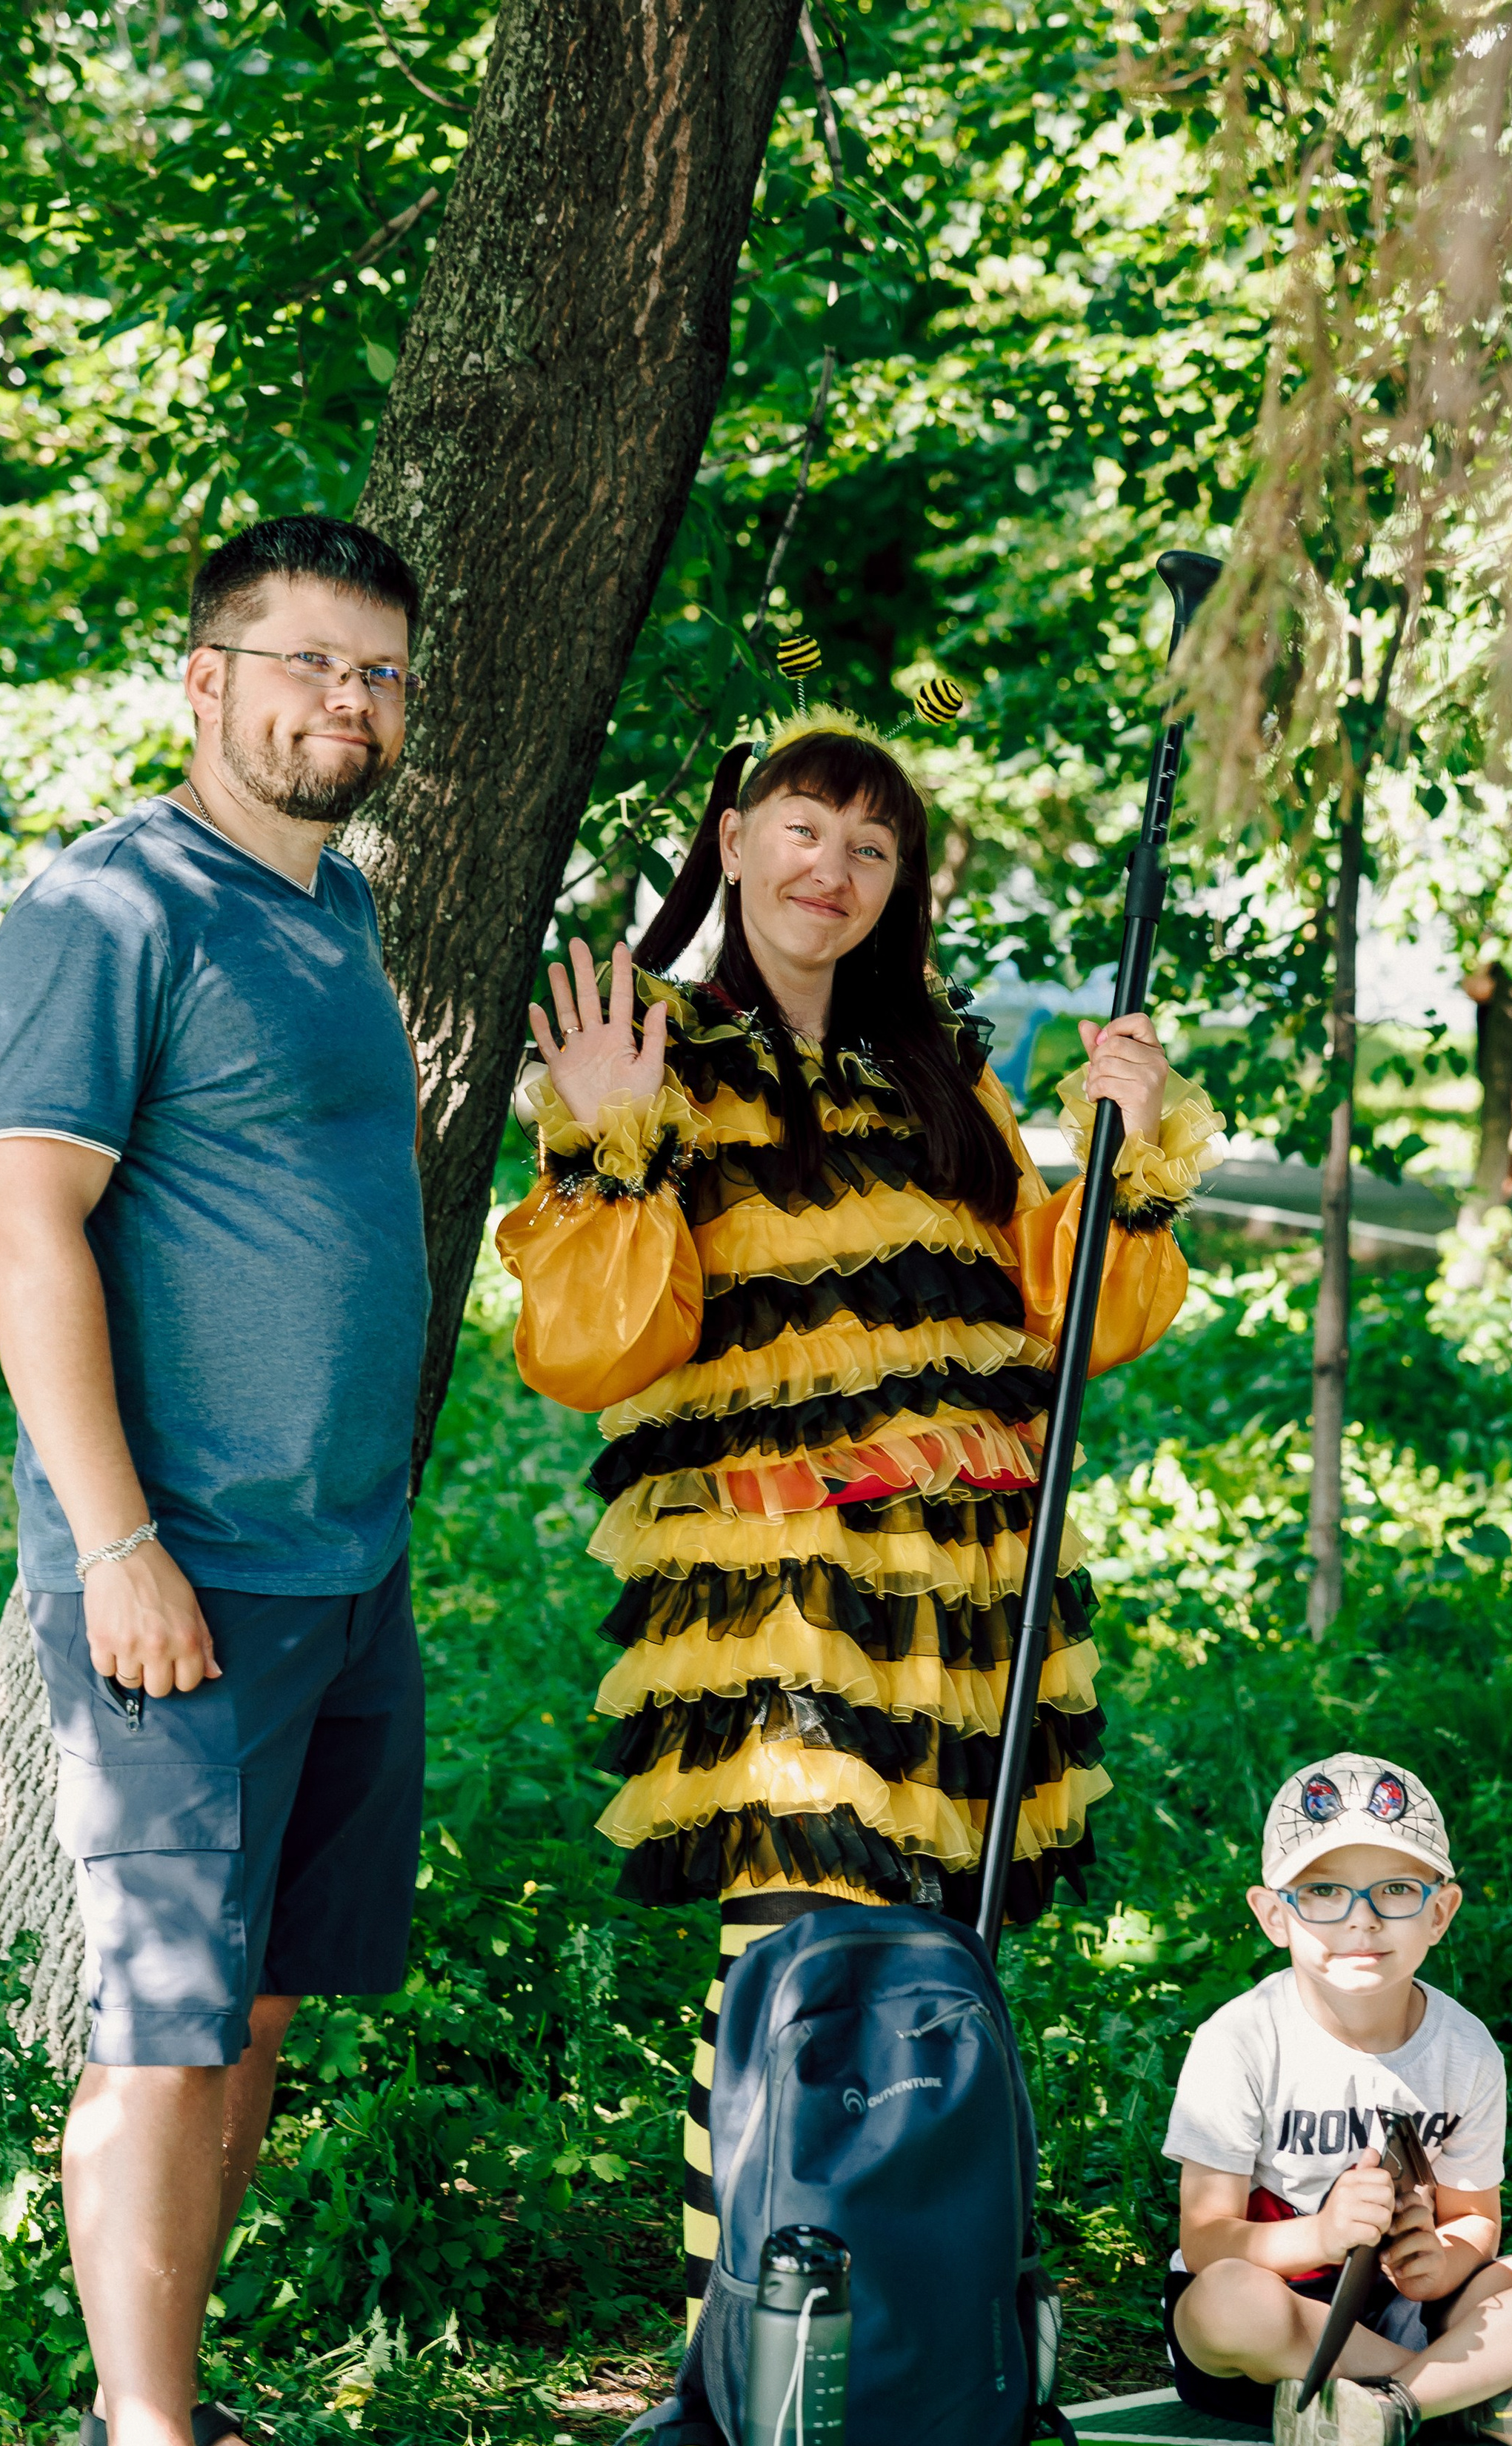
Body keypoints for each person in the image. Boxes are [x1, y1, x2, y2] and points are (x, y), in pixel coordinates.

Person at [494, 706, 1222, 2321]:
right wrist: (612, 1146)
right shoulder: (656, 1058)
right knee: (791, 1967)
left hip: (961, 1593)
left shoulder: (937, 1069)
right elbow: (590, 1346)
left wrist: (1123, 1152)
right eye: (802, 829)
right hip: (777, 1588)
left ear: (901, 887)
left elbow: (1066, 1317)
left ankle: (889, 2338)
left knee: (927, 1971)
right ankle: (731, 2346)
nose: (831, 869)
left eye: (872, 846)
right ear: (736, 844)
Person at [0, 515, 430, 2446]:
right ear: (207, 673)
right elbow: (28, 1220)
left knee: (251, 2014)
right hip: (183, 1573)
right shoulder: (113, 900)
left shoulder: (328, 915)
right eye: (308, 664)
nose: (348, 706)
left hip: (343, 1570)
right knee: (158, 2018)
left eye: (379, 677)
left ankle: (165, 2392)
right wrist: (119, 1538)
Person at [1163, 1750, 1512, 2446]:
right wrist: (1322, 2236)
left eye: (1394, 1889)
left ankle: (1395, 2407)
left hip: (1407, 2312)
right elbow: (1204, 2243)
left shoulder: (1463, 2049)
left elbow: (1474, 2221)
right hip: (1275, 2335)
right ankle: (1473, 2398)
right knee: (1224, 2303)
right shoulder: (1238, 2041)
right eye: (1322, 1891)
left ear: (1439, 1912)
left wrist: (1440, 2260)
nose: (1360, 1918)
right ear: (1272, 1915)